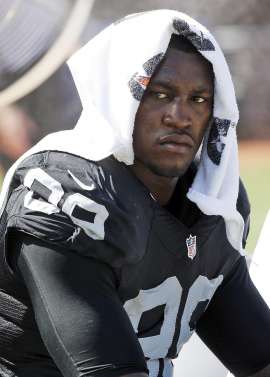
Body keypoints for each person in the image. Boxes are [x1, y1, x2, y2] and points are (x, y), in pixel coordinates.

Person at [0, 9, 269, 377]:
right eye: (159, 93)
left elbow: (258, 355)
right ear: (116, 95)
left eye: (199, 99)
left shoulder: (211, 202)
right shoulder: (68, 193)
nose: (180, 115)